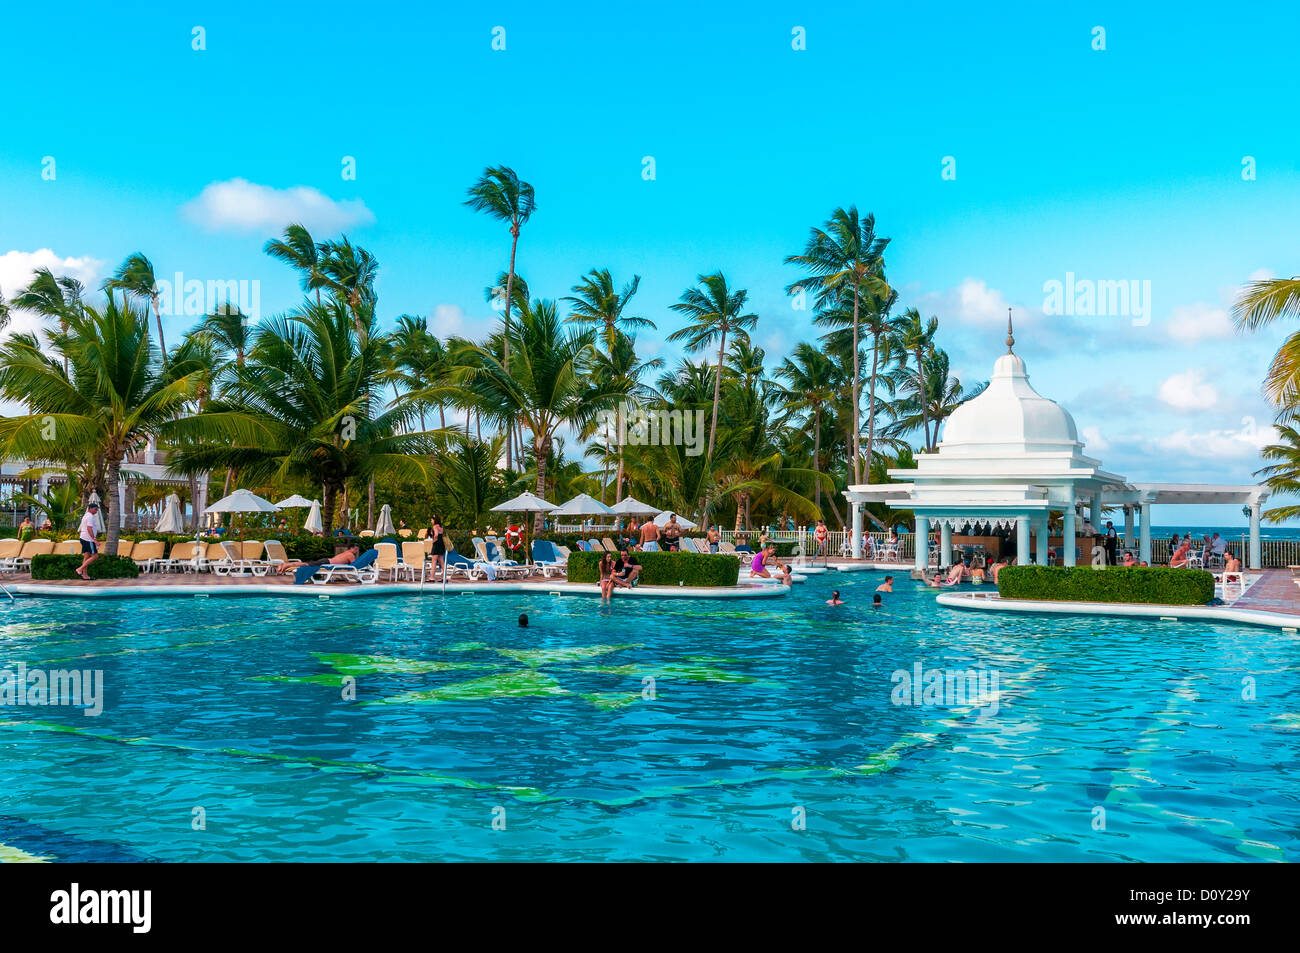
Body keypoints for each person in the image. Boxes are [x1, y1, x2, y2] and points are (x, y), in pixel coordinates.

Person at [278, 543, 360, 574]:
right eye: (355, 549)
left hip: (327, 561)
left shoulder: (345, 553)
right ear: (351, 548)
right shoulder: (350, 555)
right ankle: (287, 565)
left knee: (307, 563)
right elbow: (355, 566)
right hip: (327, 563)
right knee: (306, 564)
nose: (356, 551)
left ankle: (286, 564)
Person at [75, 503, 102, 580]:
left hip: (84, 538)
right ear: (90, 508)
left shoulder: (86, 515)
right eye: (95, 509)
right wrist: (94, 539)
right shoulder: (90, 517)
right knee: (95, 556)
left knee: (86, 556)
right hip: (88, 539)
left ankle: (85, 575)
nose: (96, 511)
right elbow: (89, 528)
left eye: (97, 509)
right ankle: (79, 569)